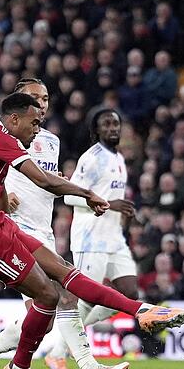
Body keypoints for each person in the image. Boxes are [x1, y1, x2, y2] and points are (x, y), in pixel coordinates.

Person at [0, 92, 184, 369]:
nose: (36, 128)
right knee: (49, 297)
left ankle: (141, 310)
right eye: (33, 121)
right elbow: (45, 181)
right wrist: (87, 193)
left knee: (65, 275)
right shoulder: (4, 140)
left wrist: (0, 204)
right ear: (14, 118)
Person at [0, 79, 127, 369]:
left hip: (44, 227)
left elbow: (42, 182)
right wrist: (4, 194)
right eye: (34, 98)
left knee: (45, 314)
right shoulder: (5, 137)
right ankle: (89, 367)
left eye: (45, 98)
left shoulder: (51, 141)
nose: (42, 103)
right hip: (14, 228)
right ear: (18, 103)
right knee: (63, 298)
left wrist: (58, 183)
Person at [60, 107, 140, 330]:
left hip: (114, 238)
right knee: (87, 298)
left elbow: (114, 200)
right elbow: (68, 196)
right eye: (106, 124)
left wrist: (124, 213)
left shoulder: (119, 159)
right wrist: (109, 203)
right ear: (96, 130)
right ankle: (57, 348)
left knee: (130, 293)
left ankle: (63, 334)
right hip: (91, 239)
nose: (113, 128)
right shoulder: (91, 159)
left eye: (115, 124)